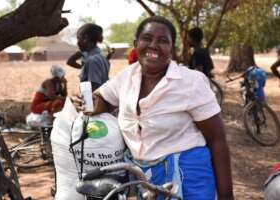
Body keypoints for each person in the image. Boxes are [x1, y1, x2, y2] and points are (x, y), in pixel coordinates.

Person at [73, 16, 233, 200]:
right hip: (145, 180)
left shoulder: (191, 82)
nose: (154, 45)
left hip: (189, 178)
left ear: (172, 49)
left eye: (163, 40)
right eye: (147, 38)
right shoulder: (127, 76)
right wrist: (91, 104)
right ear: (136, 43)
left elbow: (217, 140)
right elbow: (104, 99)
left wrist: (227, 195)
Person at [67, 23, 110, 91]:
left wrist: (85, 100)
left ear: (85, 38)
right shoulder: (101, 56)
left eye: (78, 38)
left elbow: (93, 89)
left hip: (94, 100)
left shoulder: (92, 60)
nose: (77, 43)